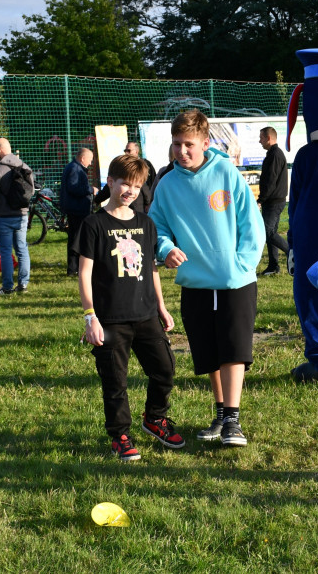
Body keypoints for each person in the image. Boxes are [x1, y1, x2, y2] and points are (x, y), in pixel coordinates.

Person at [148, 110, 265, 448]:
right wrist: (166, 249)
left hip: (235, 281)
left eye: (188, 144)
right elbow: (158, 228)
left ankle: (233, 420)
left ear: (205, 142)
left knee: (233, 348)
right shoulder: (167, 184)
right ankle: (220, 413)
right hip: (196, 283)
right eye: (176, 144)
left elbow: (251, 224)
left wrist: (241, 264)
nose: (181, 151)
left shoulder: (227, 173)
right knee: (209, 351)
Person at [76, 154, 183, 461]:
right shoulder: (94, 224)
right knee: (115, 381)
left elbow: (151, 268)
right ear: (110, 182)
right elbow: (85, 273)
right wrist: (90, 317)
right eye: (125, 183)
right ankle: (120, 434)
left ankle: (155, 418)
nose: (131, 191)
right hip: (110, 319)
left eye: (137, 186)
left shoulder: (145, 224)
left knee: (164, 370)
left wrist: (161, 307)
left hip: (146, 314)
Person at [0, 138, 33, 295]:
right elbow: (30, 191)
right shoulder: (24, 166)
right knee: (22, 249)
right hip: (21, 215)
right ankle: (23, 285)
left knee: (6, 252)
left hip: (2, 216)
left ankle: (7, 287)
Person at [256, 126, 289, 276]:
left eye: (261, 138)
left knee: (267, 232)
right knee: (271, 232)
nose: (259, 141)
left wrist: (260, 200)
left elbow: (271, 180)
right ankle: (273, 265)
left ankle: (291, 252)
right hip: (273, 200)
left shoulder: (275, 154)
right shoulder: (273, 154)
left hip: (274, 201)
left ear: (269, 138)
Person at [61, 147, 98, 277]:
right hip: (77, 210)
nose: (91, 163)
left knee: (75, 238)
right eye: (90, 160)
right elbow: (74, 188)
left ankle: (75, 267)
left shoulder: (74, 167)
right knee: (76, 239)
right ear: (82, 158)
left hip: (76, 209)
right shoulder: (75, 169)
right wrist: (90, 189)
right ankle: (73, 268)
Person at [95, 144, 153, 215]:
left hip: (137, 208)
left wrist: (148, 202)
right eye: (126, 184)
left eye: (129, 150)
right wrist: (96, 201)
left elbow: (146, 186)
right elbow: (110, 187)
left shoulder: (145, 165)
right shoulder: (120, 167)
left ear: (137, 152)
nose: (126, 152)